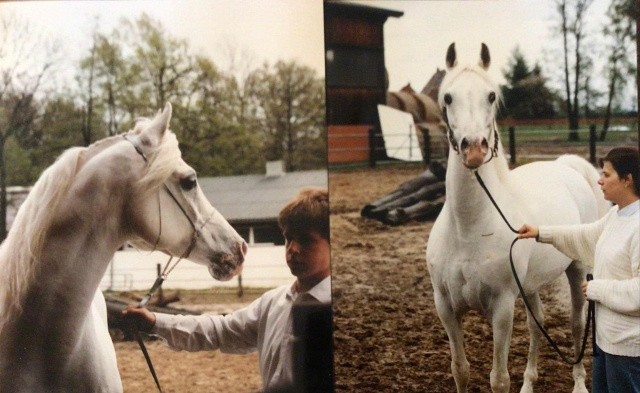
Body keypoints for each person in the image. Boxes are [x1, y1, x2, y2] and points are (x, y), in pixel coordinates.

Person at [122, 187, 331, 392]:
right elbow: (221, 330)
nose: (292, 249)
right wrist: (155, 323)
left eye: (306, 240)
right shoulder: (273, 302)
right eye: (288, 238)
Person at [518, 146, 640, 393]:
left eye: (606, 175)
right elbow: (587, 235)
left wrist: (597, 288)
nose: (599, 180)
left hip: (629, 349)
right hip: (606, 343)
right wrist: (541, 233)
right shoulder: (618, 215)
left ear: (627, 180)